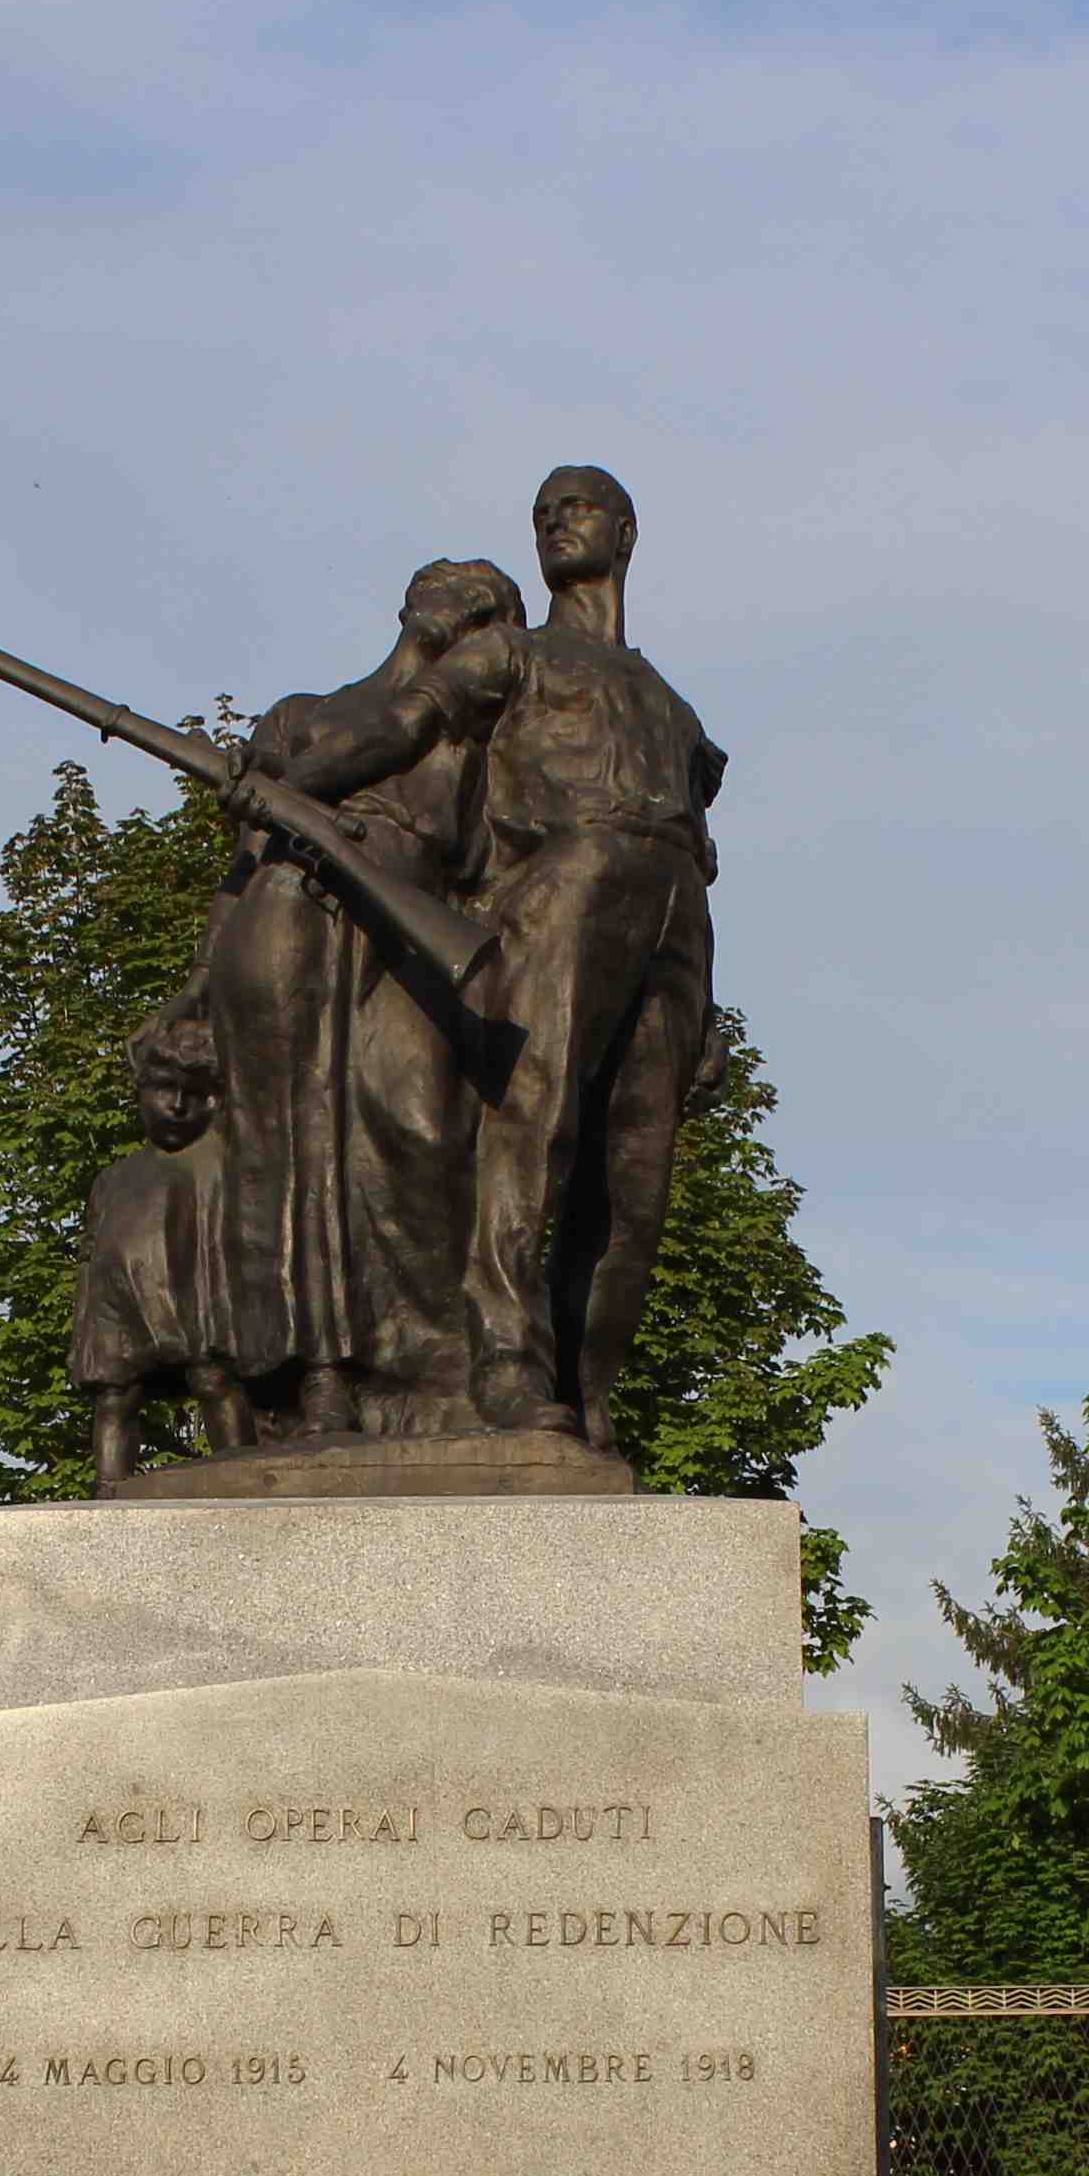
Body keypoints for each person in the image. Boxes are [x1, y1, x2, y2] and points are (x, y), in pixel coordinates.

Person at [237, 468, 719, 1444]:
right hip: (565, 880)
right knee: (533, 1122)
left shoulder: (673, 709)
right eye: (542, 511)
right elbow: (404, 722)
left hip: (675, 909)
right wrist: (297, 779)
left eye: (575, 506)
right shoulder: (510, 654)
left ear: (625, 532)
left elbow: (702, 846)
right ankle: (503, 1363)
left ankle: (588, 1397)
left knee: (637, 1180)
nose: (553, 521)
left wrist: (710, 1014)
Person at [218, 557, 523, 1438]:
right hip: (288, 917)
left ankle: (445, 1368)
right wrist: (199, 990)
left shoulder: (473, 739)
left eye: (486, 606)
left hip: (412, 930)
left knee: (424, 1130)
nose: (467, 607)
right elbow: (241, 872)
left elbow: (497, 862)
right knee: (292, 1141)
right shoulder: (299, 717)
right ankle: (309, 1378)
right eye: (459, 592)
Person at [69, 990, 243, 1489]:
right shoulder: (114, 1179)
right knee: (116, 1395)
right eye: (164, 1088)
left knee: (213, 1379)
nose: (178, 1104)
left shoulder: (217, 1164)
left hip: (194, 1296)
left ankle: (242, 1481)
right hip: (120, 1305)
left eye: (194, 1091)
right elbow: (91, 1255)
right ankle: (109, 1490)